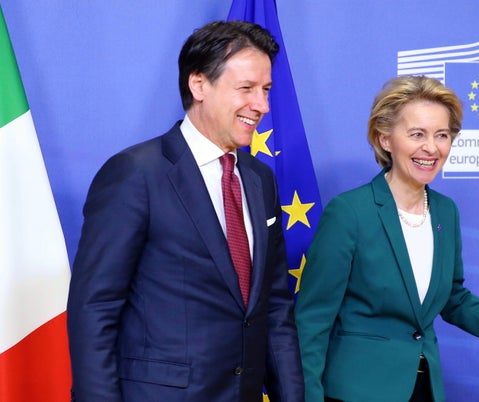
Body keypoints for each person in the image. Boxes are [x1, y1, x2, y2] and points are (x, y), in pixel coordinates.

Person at [294, 75, 479, 402]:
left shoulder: (446, 212)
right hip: (357, 391)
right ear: (385, 139)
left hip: (425, 389)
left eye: (442, 135)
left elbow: (453, 299)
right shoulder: (349, 212)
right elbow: (312, 321)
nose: (431, 148)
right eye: (417, 134)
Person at [67, 20, 304, 402]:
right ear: (199, 85)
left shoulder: (261, 180)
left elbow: (275, 306)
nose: (261, 105)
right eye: (246, 89)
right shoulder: (136, 173)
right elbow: (94, 307)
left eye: (266, 90)